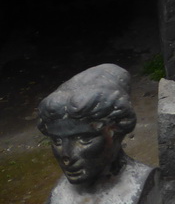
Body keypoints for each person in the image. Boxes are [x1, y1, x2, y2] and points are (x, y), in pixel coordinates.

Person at [37, 64, 159, 204]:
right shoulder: (59, 194)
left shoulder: (143, 185)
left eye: (84, 139)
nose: (66, 155)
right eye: (57, 141)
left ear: (116, 132)